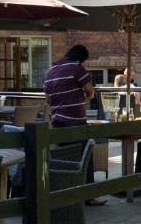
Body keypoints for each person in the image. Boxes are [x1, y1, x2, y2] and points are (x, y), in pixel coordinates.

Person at [43, 44, 105, 205]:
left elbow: (48, 100)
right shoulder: (75, 68)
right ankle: (88, 196)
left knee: (64, 158)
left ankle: (66, 195)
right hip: (75, 122)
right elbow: (90, 90)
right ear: (81, 58)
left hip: (57, 121)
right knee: (86, 156)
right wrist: (87, 96)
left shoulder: (49, 72)